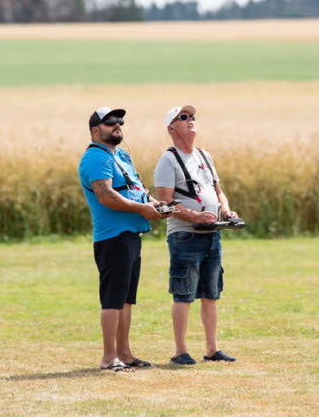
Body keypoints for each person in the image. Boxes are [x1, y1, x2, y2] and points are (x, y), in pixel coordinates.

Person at [78, 107, 167, 372]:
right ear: (95, 130)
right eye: (110, 122)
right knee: (113, 299)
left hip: (131, 234)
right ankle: (108, 358)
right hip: (113, 236)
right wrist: (141, 209)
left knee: (127, 299)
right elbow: (105, 196)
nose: (118, 125)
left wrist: (154, 205)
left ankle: (125, 354)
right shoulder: (96, 158)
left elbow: (135, 190)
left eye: (120, 121)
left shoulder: (122, 155)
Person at [153, 105, 238, 365]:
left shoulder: (204, 156)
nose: (191, 121)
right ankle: (180, 351)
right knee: (184, 294)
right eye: (183, 118)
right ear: (172, 128)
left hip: (213, 234)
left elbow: (217, 190)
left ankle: (212, 349)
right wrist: (195, 216)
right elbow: (165, 202)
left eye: (192, 117)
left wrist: (225, 209)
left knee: (211, 294)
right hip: (185, 237)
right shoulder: (167, 160)